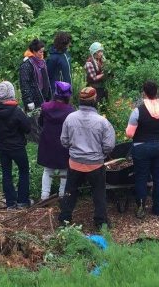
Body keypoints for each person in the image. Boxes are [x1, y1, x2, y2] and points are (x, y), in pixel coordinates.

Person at [58, 87, 115, 229]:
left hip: (75, 163)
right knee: (99, 193)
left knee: (70, 192)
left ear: (80, 100)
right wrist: (99, 154)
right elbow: (109, 146)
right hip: (95, 164)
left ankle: (65, 219)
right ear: (94, 100)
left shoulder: (70, 118)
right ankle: (100, 222)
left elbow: (64, 141)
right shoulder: (102, 122)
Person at [126, 80, 159, 218]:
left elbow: (129, 133)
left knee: (141, 177)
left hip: (142, 147)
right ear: (157, 92)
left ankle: (141, 207)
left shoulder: (138, 111)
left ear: (144, 93)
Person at [0, 81, 32, 209]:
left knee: (6, 172)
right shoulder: (17, 111)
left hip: (1, 146)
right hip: (17, 147)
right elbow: (27, 128)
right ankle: (22, 201)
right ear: (11, 93)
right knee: (23, 171)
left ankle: (10, 203)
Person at [37, 81, 75, 200]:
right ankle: (62, 196)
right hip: (63, 144)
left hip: (47, 142)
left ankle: (44, 196)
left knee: (48, 170)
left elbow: (40, 123)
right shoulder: (71, 111)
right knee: (64, 170)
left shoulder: (45, 107)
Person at [20, 38, 52, 112]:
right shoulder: (26, 65)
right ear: (34, 51)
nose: (42, 54)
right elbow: (24, 84)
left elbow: (46, 80)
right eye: (40, 52)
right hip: (33, 101)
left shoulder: (42, 62)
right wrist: (29, 101)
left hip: (44, 97)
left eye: (43, 52)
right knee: (34, 122)